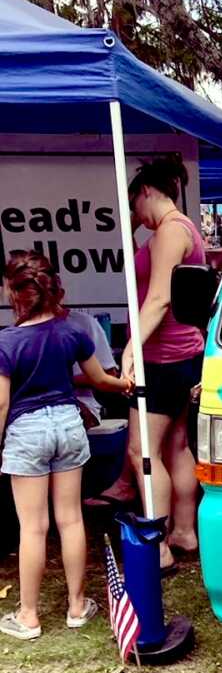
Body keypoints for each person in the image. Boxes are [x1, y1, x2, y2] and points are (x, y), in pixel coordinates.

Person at [0, 252, 132, 640]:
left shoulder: (6, 341)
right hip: (68, 424)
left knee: (33, 527)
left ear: (15, 293)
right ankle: (77, 607)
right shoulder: (72, 331)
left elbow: (2, 403)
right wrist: (126, 383)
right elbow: (99, 380)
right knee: (71, 518)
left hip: (27, 432)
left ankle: (28, 616)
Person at [119, 155, 206, 573]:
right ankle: (184, 532)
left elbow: (159, 298)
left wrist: (131, 348)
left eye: (135, 204)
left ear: (148, 193)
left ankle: (159, 547)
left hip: (163, 355)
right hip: (182, 353)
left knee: (142, 452)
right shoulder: (180, 228)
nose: (135, 214)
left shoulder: (172, 230)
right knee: (175, 446)